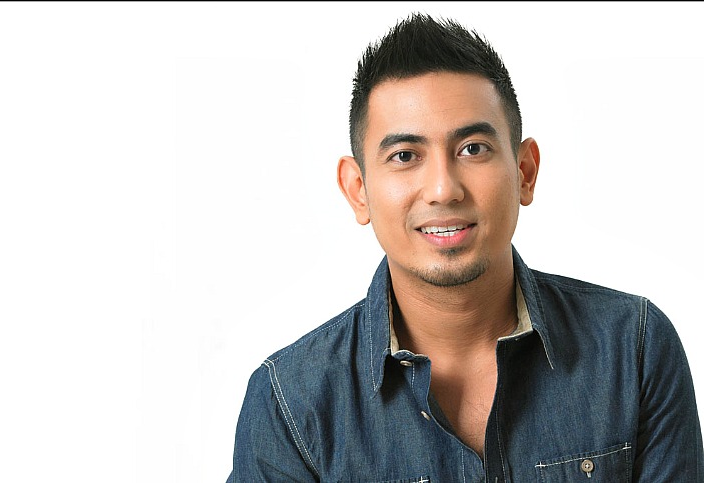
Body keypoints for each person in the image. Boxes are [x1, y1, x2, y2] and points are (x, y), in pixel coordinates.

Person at [227, 13, 703, 482]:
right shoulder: (290, 405)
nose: (443, 189)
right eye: (405, 156)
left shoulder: (634, 348)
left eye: (472, 148)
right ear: (358, 190)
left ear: (525, 172)